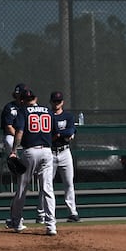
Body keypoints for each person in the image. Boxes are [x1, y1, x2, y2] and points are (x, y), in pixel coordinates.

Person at [7, 85, 56, 236]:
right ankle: (51, 226)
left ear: (22, 100)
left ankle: (17, 222)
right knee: (48, 189)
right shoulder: (48, 110)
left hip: (30, 152)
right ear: (35, 99)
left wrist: (14, 151)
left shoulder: (23, 111)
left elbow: (19, 132)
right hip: (47, 152)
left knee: (22, 188)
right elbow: (55, 133)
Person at [49, 90, 81, 221]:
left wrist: (59, 134)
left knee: (69, 183)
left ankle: (72, 213)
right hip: (50, 152)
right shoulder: (48, 115)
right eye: (54, 101)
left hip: (65, 151)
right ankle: (46, 215)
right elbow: (50, 134)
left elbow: (71, 130)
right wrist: (62, 134)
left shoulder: (68, 116)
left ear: (62, 102)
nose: (57, 103)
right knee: (47, 184)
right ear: (51, 102)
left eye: (59, 101)